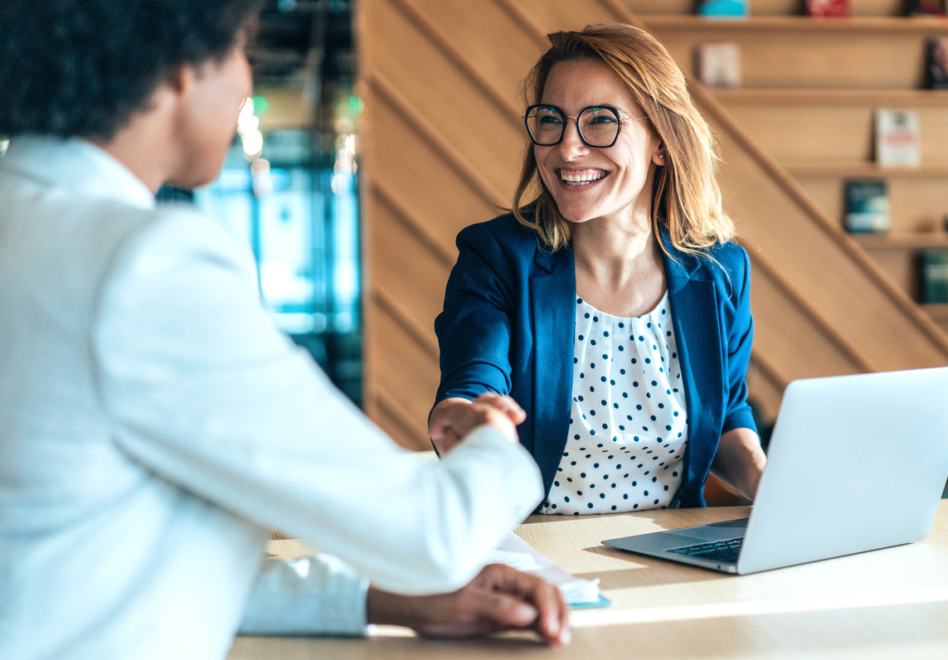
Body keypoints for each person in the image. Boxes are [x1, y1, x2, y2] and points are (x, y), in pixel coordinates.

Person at [0, 1, 568, 658]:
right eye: (244, 52)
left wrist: (385, 600)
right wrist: (494, 442)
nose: (247, 81)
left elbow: (79, 559)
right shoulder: (144, 265)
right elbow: (434, 536)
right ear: (183, 70)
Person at [429, 24, 766, 515]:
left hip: (671, 552)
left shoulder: (720, 270)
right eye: (551, 120)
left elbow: (728, 410)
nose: (567, 149)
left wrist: (766, 480)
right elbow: (472, 384)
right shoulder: (497, 256)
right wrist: (466, 419)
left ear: (662, 142)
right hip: (536, 553)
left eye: (601, 121)